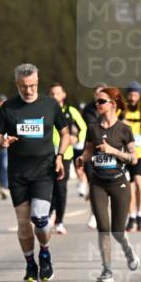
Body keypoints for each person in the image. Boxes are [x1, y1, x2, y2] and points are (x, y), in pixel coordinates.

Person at [0, 63, 71, 282]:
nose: (29, 90)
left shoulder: (50, 105)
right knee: (23, 222)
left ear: (38, 82)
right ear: (17, 84)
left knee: (40, 217)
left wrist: (60, 156)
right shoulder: (8, 107)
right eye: (24, 86)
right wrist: (3, 141)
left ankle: (44, 251)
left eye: (33, 85)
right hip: (18, 172)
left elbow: (65, 134)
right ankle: (30, 263)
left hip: (44, 170)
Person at [76, 87, 140, 282]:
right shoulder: (93, 128)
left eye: (101, 101)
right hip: (98, 183)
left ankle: (128, 251)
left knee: (117, 231)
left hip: (119, 182)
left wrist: (113, 151)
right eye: (96, 101)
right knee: (103, 227)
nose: (97, 104)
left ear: (113, 104)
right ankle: (107, 270)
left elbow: (134, 159)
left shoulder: (124, 129)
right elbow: (88, 152)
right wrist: (81, 159)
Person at [49, 83, 87, 235]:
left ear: (63, 95)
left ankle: (59, 221)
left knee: (60, 189)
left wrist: (76, 139)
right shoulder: (45, 110)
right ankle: (47, 215)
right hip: (46, 155)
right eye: (52, 94)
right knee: (47, 188)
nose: (55, 96)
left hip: (65, 154)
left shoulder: (71, 111)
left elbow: (83, 127)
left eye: (57, 93)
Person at [121, 82, 141, 232]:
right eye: (131, 94)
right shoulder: (121, 109)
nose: (133, 97)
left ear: (139, 95)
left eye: (135, 94)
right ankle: (132, 216)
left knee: (139, 181)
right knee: (129, 185)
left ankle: (140, 215)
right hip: (125, 153)